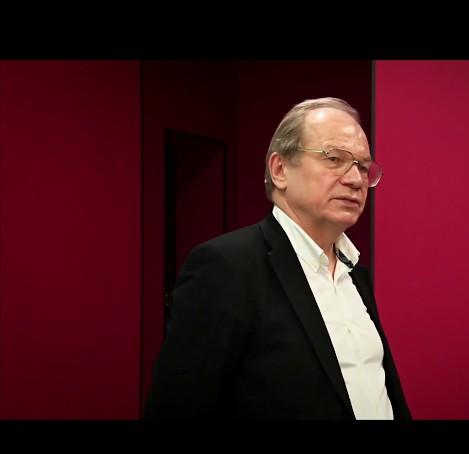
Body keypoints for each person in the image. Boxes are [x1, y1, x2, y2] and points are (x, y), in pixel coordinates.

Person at [144, 97, 411, 419]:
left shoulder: (354, 273)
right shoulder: (226, 267)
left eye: (363, 167)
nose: (355, 180)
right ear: (280, 169)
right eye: (334, 159)